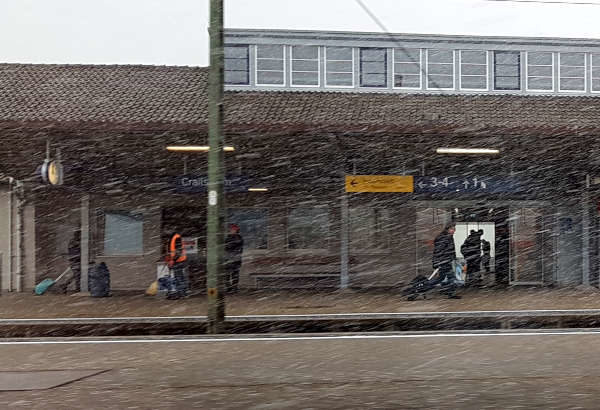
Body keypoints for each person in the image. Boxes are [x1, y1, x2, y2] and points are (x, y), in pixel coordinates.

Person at [432, 223, 460, 299]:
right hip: (444, 261)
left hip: (445, 261)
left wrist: (452, 257)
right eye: (453, 229)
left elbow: (449, 250)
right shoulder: (444, 237)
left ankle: (425, 286)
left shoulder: (448, 237)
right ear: (448, 229)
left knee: (440, 278)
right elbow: (439, 251)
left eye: (455, 230)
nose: (454, 231)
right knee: (451, 277)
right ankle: (450, 292)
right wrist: (439, 261)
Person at [165, 232, 187, 298]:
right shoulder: (172, 238)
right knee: (179, 277)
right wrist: (168, 260)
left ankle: (181, 293)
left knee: (179, 277)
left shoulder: (176, 237)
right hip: (177, 261)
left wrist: (172, 260)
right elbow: (171, 251)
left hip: (179, 261)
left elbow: (178, 251)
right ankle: (181, 292)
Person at [225, 224, 244, 293]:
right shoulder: (228, 237)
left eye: (233, 230)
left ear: (236, 230)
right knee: (227, 274)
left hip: (235, 259)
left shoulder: (238, 238)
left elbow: (230, 246)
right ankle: (229, 288)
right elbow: (226, 247)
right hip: (229, 258)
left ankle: (234, 288)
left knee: (234, 274)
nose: (231, 231)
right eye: (231, 230)